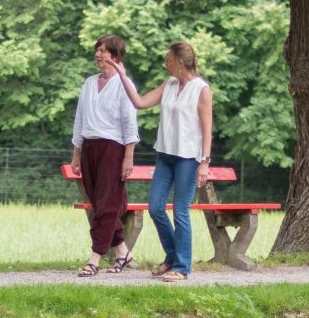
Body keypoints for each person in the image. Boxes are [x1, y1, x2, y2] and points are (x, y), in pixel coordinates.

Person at [106, 41, 212, 282]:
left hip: (188, 158)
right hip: (165, 155)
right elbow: (139, 102)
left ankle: (182, 268)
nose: (165, 63)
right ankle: (173, 257)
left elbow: (207, 130)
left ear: (179, 62)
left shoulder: (201, 89)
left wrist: (204, 162)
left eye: (168, 59)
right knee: (155, 207)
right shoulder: (170, 84)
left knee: (181, 211)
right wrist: (122, 75)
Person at [71, 34, 140, 277]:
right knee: (101, 205)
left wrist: (128, 156)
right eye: (97, 50)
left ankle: (95, 257)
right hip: (89, 148)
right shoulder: (89, 83)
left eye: (104, 51)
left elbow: (129, 122)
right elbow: (80, 119)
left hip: (113, 149)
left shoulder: (124, 84)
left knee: (107, 207)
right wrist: (76, 153)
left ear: (116, 56)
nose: (98, 54)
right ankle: (123, 251)